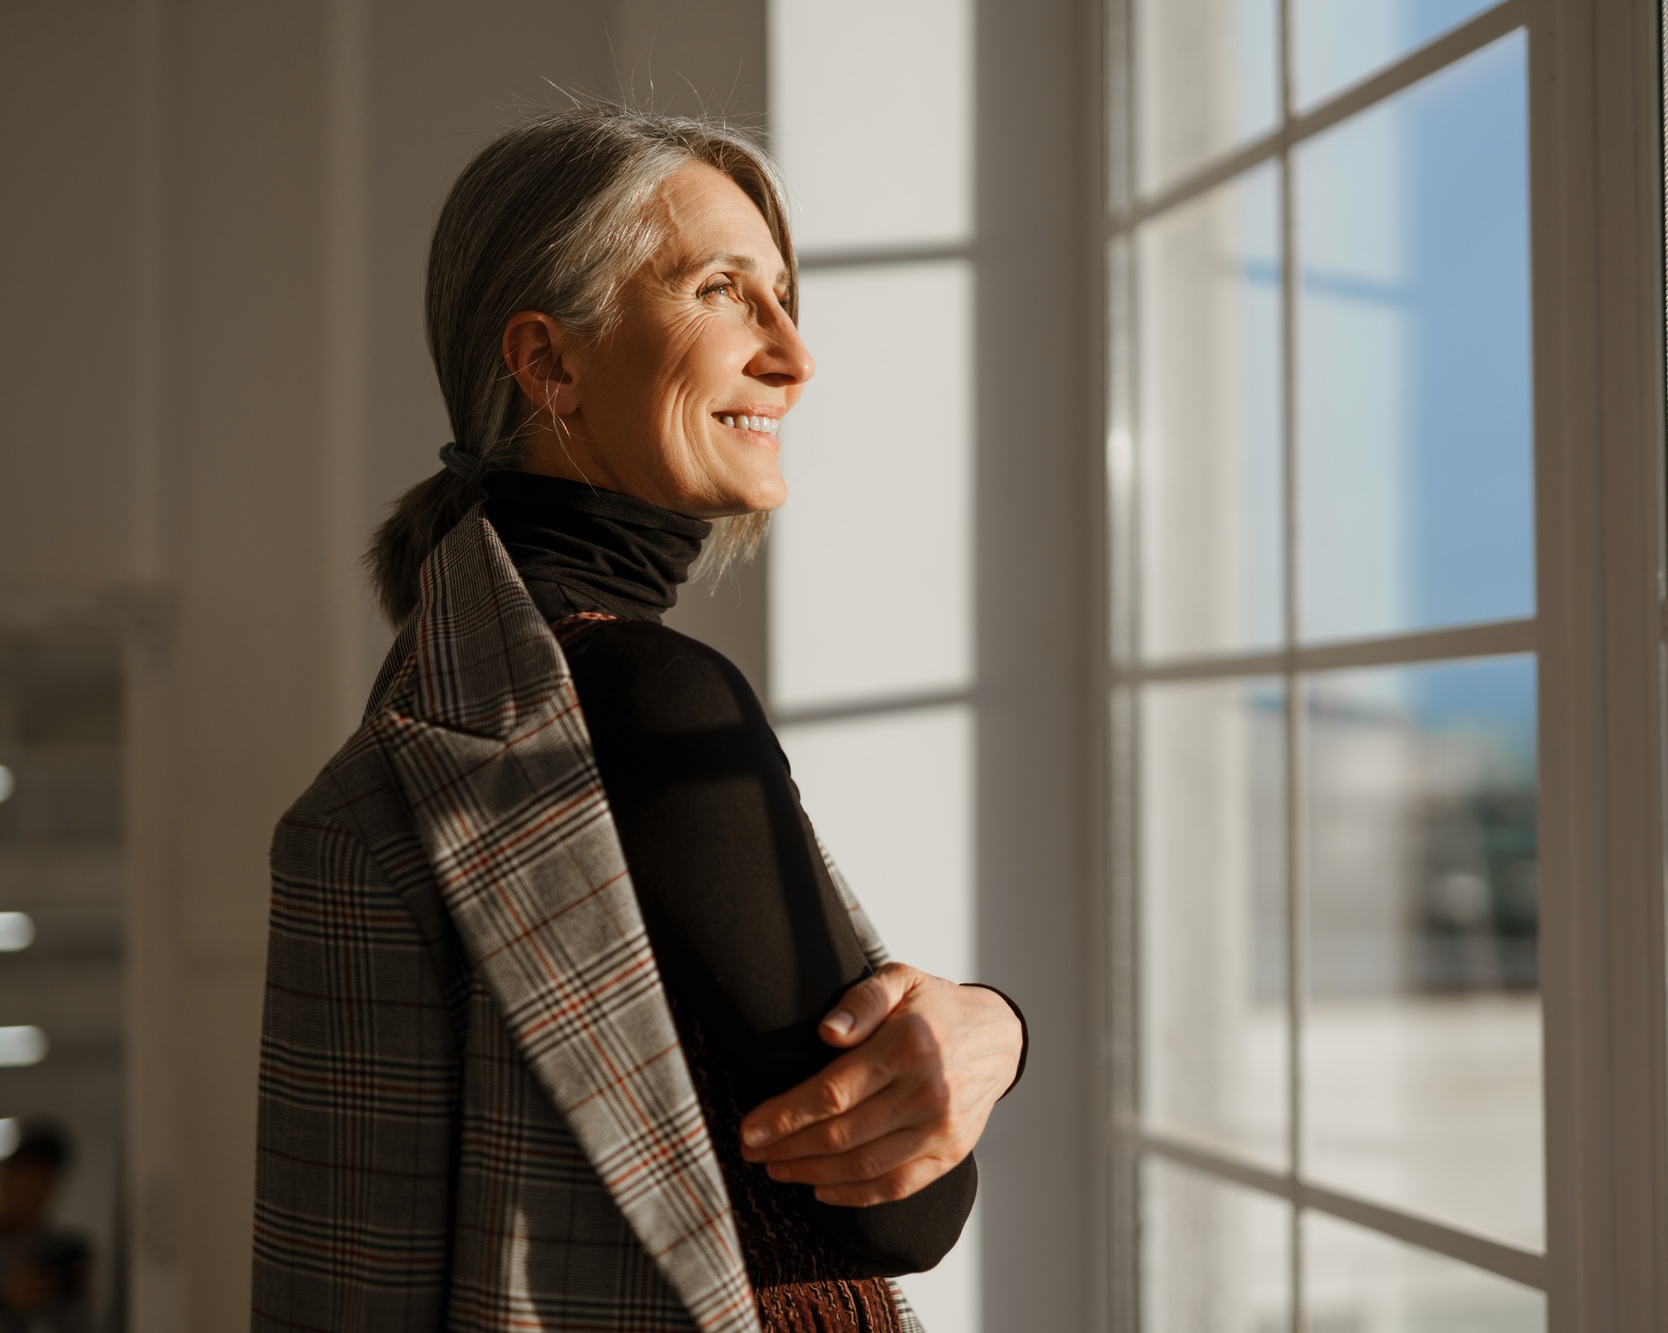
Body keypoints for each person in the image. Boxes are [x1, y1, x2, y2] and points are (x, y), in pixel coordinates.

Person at [252, 108, 1026, 1333]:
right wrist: (994, 1028)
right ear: (548, 364)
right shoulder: (649, 696)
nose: (792, 355)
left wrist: (982, 1025)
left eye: (784, 295)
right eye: (724, 290)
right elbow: (902, 1213)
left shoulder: (439, 695)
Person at [0, 1121, 90, 1333]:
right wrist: (6, 1297)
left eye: (41, 1189)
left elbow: (78, 1319)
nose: (31, 1200)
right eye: (23, 1187)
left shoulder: (61, 1248)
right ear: (6, 1182)